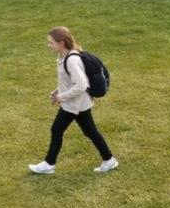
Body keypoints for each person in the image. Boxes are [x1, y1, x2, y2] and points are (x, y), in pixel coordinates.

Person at [29, 26, 118, 175]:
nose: (48, 45)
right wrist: (58, 90)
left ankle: (49, 164)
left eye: (51, 42)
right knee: (90, 131)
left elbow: (82, 85)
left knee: (57, 129)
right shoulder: (64, 56)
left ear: (61, 43)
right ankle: (109, 159)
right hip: (79, 103)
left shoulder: (71, 60)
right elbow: (69, 80)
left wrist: (60, 97)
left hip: (75, 104)